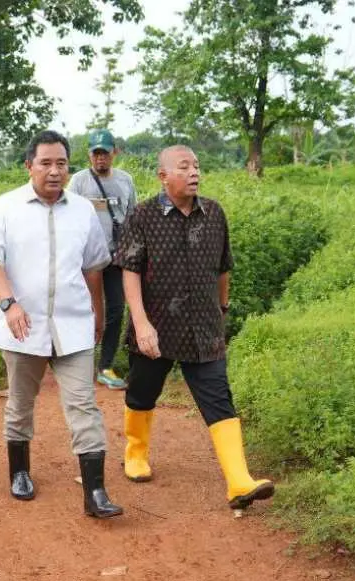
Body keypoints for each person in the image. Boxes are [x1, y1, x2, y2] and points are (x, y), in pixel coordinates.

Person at [116, 145, 274, 516]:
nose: (194, 173)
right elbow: (130, 270)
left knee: (218, 398)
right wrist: (140, 323)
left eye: (197, 166)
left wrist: (222, 309)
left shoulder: (214, 213)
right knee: (142, 391)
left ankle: (239, 482)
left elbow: (223, 266)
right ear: (163, 176)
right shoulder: (143, 216)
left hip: (204, 326)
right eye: (184, 167)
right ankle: (136, 453)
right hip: (157, 325)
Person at [0, 129, 122, 520]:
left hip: (74, 324)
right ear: (29, 166)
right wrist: (9, 303)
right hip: (22, 326)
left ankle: (96, 492)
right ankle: (19, 470)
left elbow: (93, 267)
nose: (55, 171)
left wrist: (98, 313)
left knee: (84, 405)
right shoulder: (5, 207)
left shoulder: (83, 210)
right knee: (21, 404)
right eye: (46, 163)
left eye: (61, 163)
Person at [68, 129, 137, 390]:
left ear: (114, 153)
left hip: (115, 258)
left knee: (116, 309)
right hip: (84, 261)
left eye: (105, 153)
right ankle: (78, 362)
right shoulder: (78, 182)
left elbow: (132, 218)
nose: (100, 159)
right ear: (89, 155)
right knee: (84, 308)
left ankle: (105, 365)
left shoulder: (125, 181)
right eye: (96, 154)